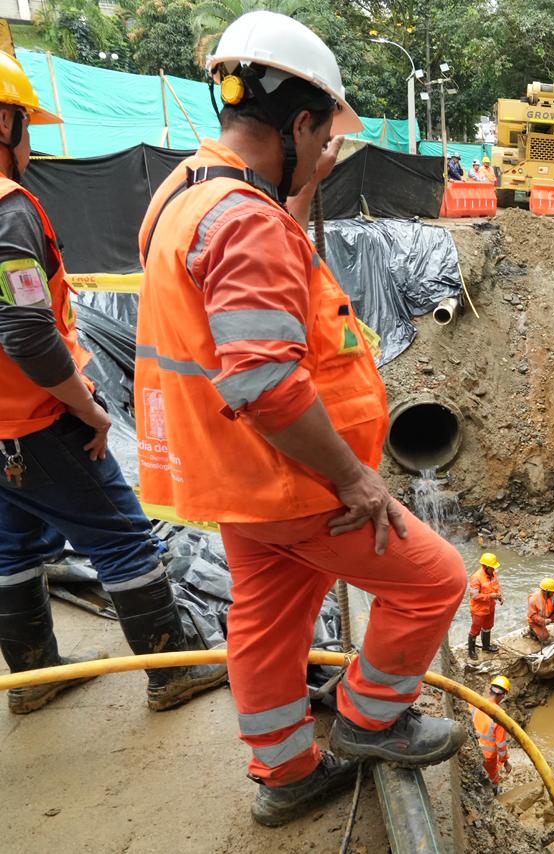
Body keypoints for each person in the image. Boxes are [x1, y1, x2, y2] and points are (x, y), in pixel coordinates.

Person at [134, 12, 468, 827]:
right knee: (435, 583)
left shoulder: (188, 194)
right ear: (302, 120)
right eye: (324, 139)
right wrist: (355, 477)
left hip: (237, 480)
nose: (326, 156)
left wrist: (298, 190)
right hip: (300, 484)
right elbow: (267, 384)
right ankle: (368, 722)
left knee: (267, 621)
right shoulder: (249, 225)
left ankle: (283, 770)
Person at [0, 52, 227, 716]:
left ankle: (34, 675)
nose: (34, 143)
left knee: (10, 542)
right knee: (125, 535)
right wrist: (90, 411)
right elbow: (28, 332)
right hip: (34, 419)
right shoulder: (10, 212)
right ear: (4, 121)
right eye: (28, 126)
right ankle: (171, 671)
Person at [470, 674, 511, 792]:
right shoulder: (499, 716)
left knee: (475, 774)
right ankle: (495, 792)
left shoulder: (475, 704)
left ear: (490, 690)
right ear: (502, 695)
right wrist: (505, 762)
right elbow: (501, 746)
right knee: (493, 776)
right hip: (488, 756)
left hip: (472, 749)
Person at [467, 552, 503, 660]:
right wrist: (490, 596)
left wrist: (500, 595)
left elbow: (497, 586)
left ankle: (486, 646)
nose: (494, 570)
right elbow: (474, 596)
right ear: (485, 567)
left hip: (490, 607)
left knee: (488, 627)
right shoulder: (476, 578)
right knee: (475, 630)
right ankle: (471, 650)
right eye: (492, 568)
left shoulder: (493, 574)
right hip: (479, 610)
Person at [526, 577, 554, 644]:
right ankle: (532, 631)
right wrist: (543, 621)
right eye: (552, 592)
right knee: (545, 638)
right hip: (536, 621)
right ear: (545, 591)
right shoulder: (533, 599)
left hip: (548, 616)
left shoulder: (553, 595)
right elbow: (532, 615)